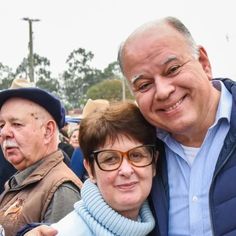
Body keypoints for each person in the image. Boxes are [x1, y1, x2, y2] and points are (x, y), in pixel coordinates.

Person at [118, 16, 236, 236]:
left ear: (203, 62)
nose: (163, 91)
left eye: (172, 69)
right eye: (144, 84)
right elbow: (96, 210)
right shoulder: (137, 148)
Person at [17, 101, 158, 236]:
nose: (126, 170)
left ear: (154, 164)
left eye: (136, 155)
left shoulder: (160, 221)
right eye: (110, 159)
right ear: (90, 170)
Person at [0, 87, 83, 236]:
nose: (4, 133)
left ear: (48, 131)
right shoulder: (21, 180)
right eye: (1, 125)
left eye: (16, 124)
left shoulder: (61, 190)